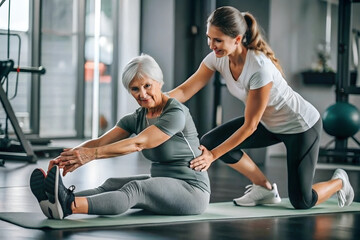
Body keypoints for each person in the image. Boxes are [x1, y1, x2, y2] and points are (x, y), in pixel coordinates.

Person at [168, 6, 354, 209]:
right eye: (209, 38)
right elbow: (186, 90)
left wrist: (213, 156)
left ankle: (340, 182)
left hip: (301, 127)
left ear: (237, 39)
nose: (211, 45)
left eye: (218, 40)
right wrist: (157, 100)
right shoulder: (218, 58)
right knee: (211, 142)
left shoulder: (259, 68)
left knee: (302, 200)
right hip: (269, 123)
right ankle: (264, 188)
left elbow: (250, 126)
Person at [30, 54, 210, 219]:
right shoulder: (138, 117)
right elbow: (100, 142)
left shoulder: (175, 112)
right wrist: (65, 158)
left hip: (191, 190)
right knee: (110, 184)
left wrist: (90, 156)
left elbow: (139, 143)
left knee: (136, 189)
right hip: (164, 184)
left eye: (147, 85)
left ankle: (69, 205)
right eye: (135, 89)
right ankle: (57, 198)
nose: (142, 94)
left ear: (159, 82)